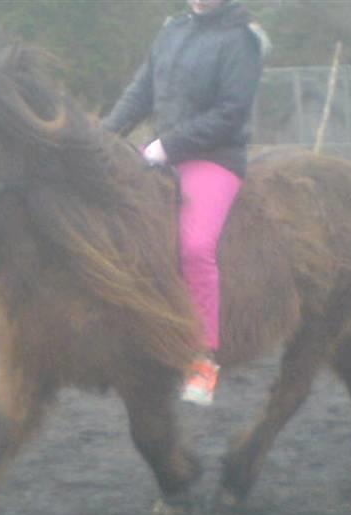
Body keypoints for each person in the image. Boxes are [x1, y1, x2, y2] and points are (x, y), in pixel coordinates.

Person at [103, 0, 270, 405]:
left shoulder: (241, 40)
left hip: (213, 158)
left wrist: (168, 145)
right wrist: (104, 136)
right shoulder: (172, 30)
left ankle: (203, 357)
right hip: (163, 156)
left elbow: (231, 113)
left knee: (194, 247)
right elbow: (141, 92)